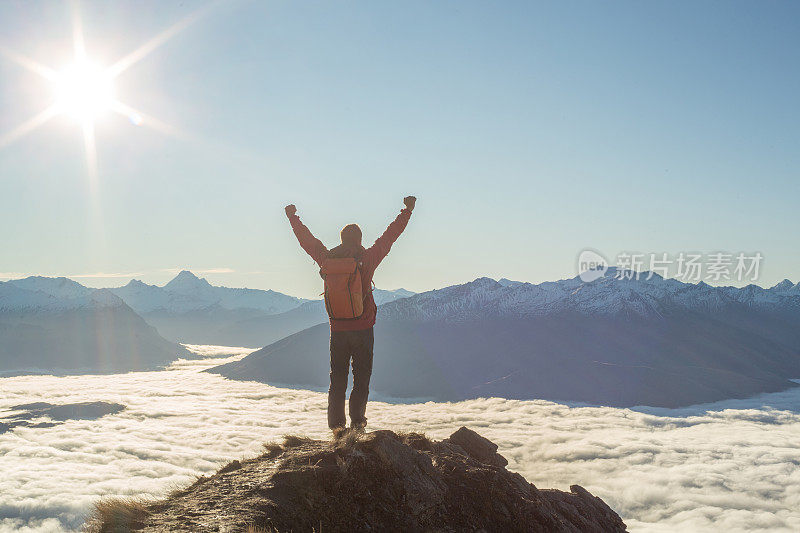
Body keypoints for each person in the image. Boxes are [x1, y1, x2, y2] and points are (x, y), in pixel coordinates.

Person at [285, 196, 416, 432]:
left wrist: (293, 218)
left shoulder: (326, 259)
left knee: (337, 380)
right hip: (363, 328)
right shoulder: (366, 259)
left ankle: (337, 427)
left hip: (338, 329)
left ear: (342, 239)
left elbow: (307, 242)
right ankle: (357, 424)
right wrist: (406, 211)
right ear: (360, 240)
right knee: (361, 378)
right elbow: (389, 238)